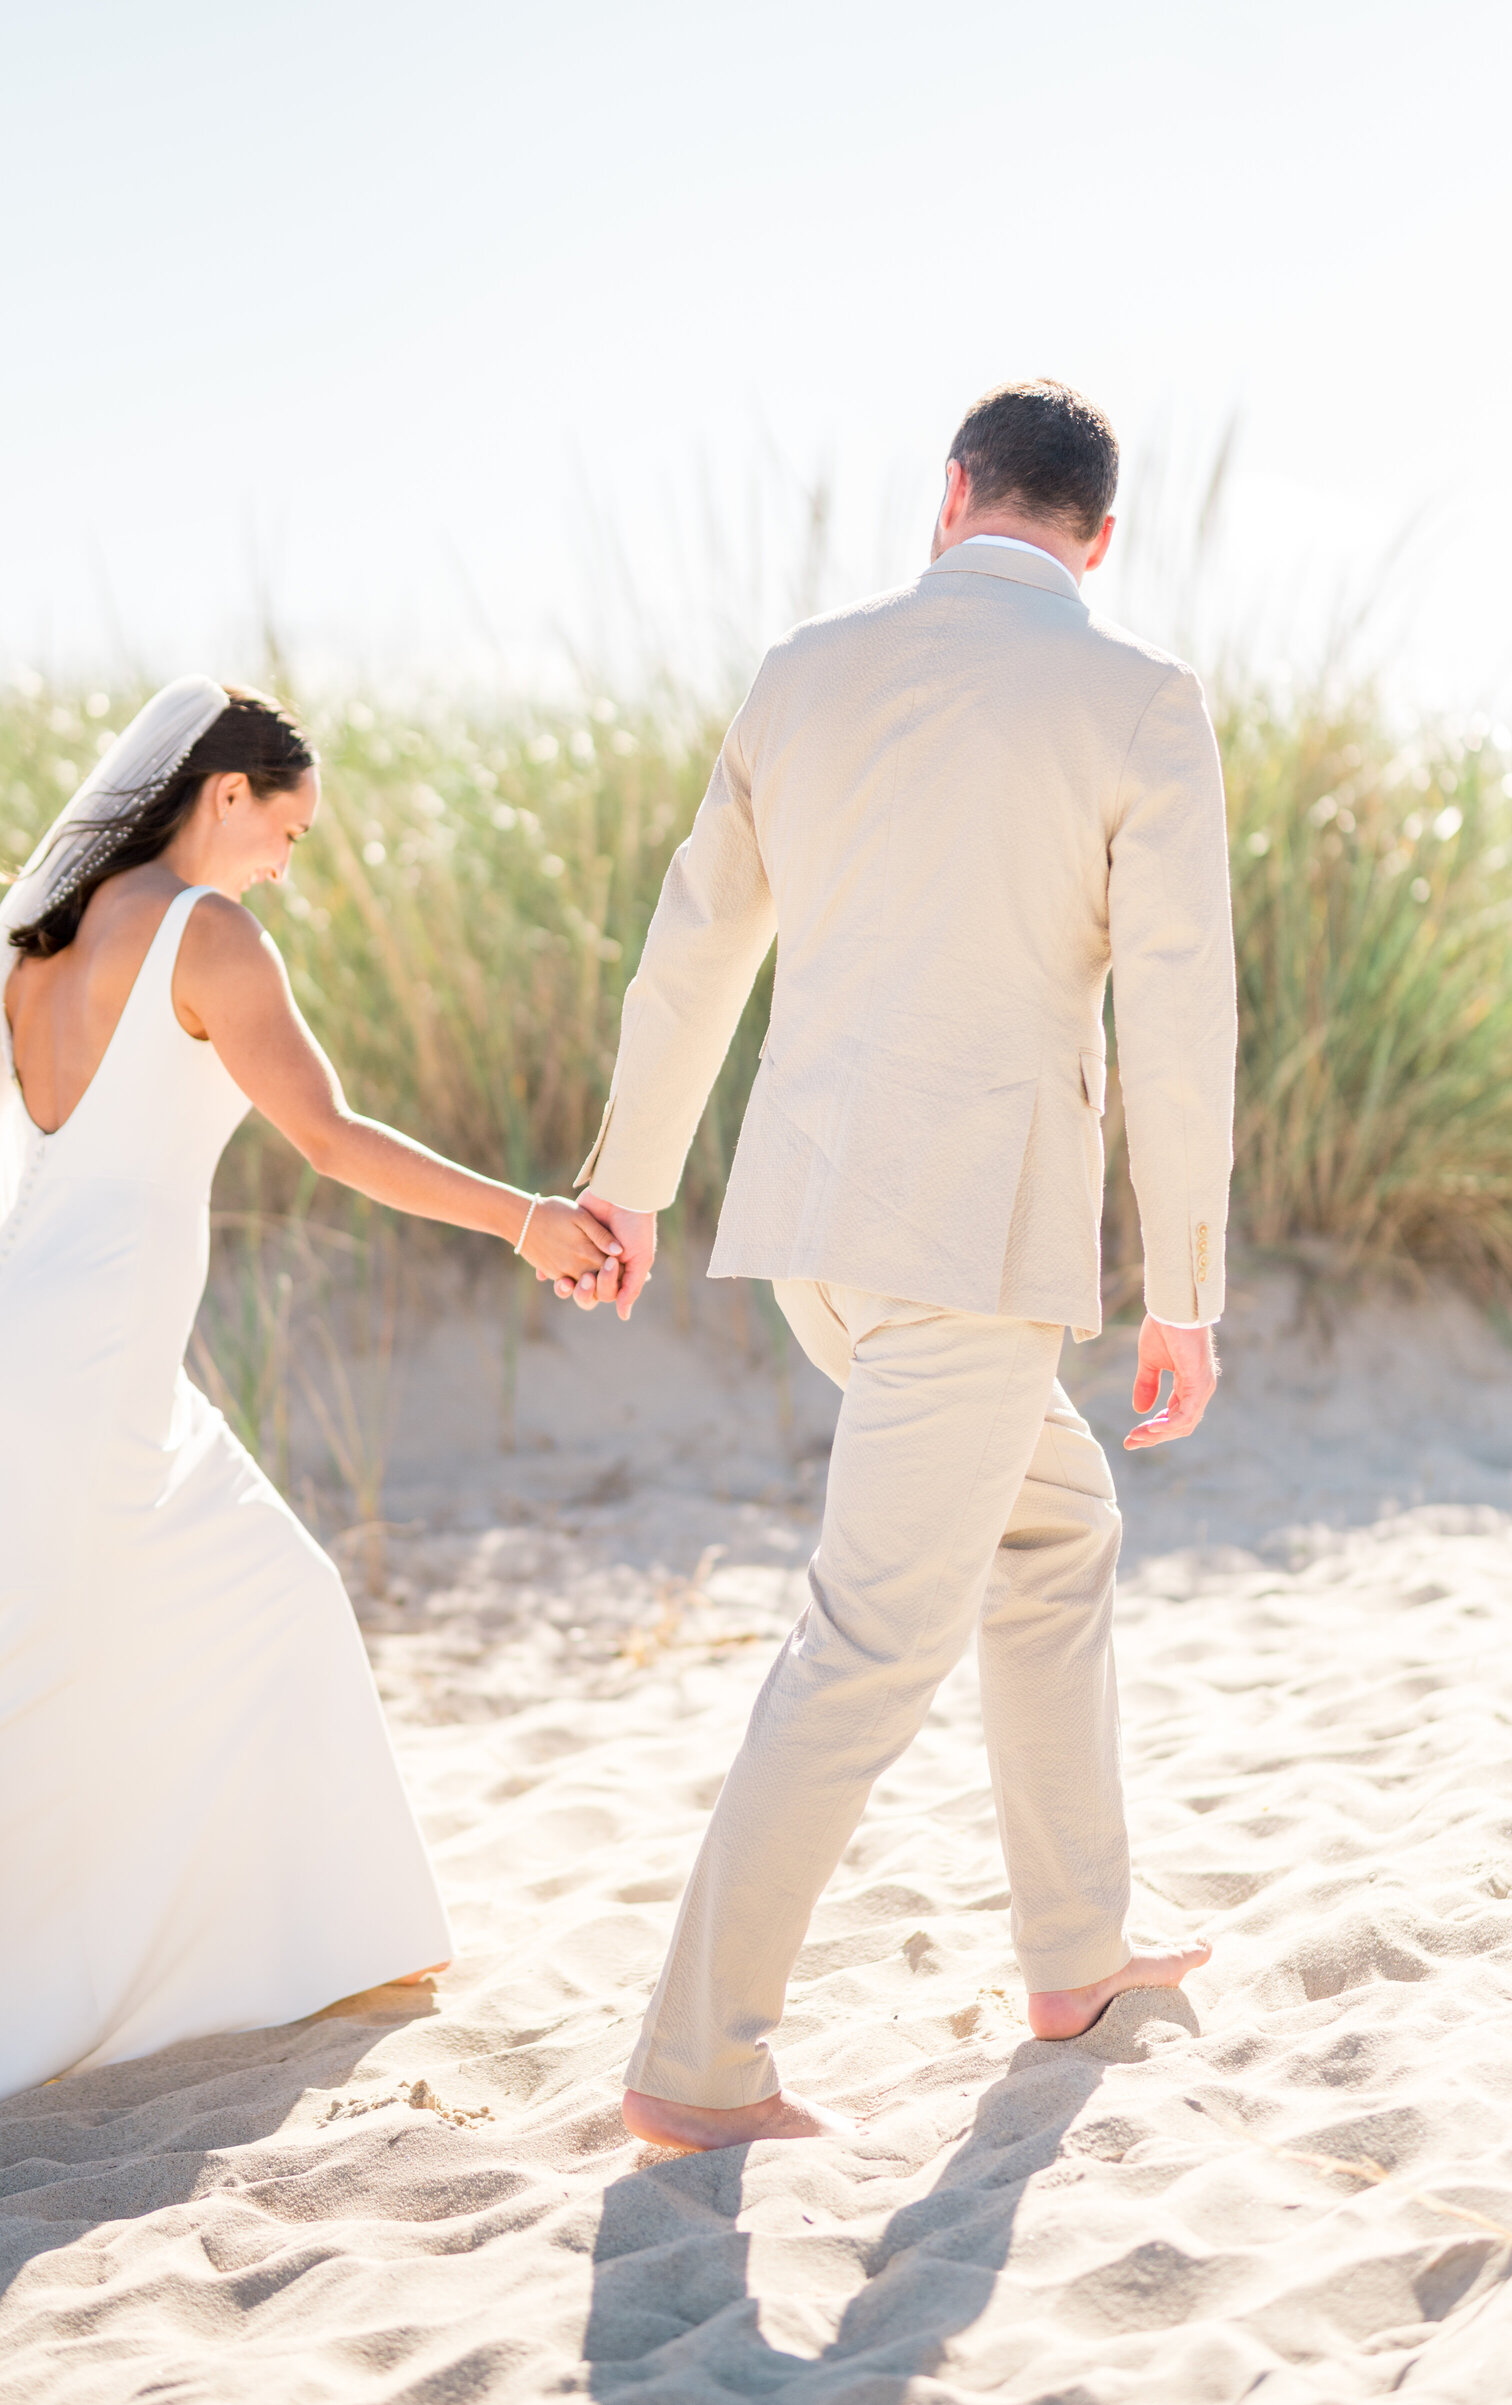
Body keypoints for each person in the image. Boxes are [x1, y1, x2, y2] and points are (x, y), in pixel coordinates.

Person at [576, 380, 1236, 2150]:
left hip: (815, 1234)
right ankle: (697, 2066)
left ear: (951, 495)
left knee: (1054, 1523)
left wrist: (631, 1182)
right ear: (1102, 538)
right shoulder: (1141, 699)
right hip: (975, 1242)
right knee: (865, 1642)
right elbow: (1182, 1021)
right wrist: (1186, 1286)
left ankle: (1078, 1947)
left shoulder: (803, 670)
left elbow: (691, 946)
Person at [0, 678, 618, 2121]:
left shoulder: (40, 946)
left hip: (36, 1343)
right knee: (13, 1666)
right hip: (95, 1356)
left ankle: (322, 1946)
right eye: (285, 831)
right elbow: (331, 1137)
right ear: (220, 792)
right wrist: (528, 1218)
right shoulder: (202, 933)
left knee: (257, 1598)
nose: (285, 867)